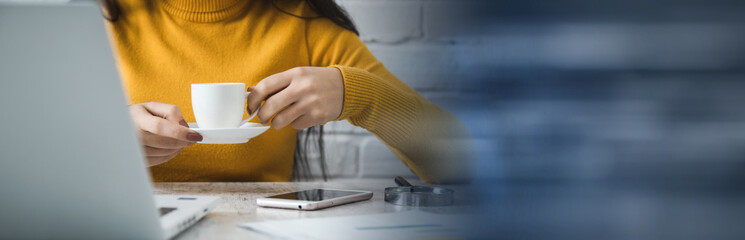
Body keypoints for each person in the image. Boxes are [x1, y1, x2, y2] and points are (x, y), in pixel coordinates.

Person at [101, 0, 474, 183]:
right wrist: (103, 144)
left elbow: (467, 163)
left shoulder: (305, 24)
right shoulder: (97, 18)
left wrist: (358, 94)